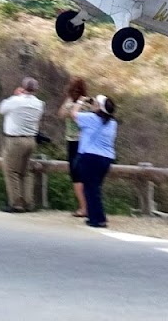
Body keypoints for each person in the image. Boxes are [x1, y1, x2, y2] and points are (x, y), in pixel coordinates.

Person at [0, 76, 45, 213]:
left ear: (23, 87)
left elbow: (1, 109)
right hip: (30, 139)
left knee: (11, 171)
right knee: (26, 172)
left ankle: (16, 203)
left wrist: (15, 95)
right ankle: (28, 202)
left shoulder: (15, 101)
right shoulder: (39, 104)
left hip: (15, 140)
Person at [71, 94, 118, 228]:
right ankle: (97, 216)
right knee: (95, 188)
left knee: (90, 188)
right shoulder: (113, 123)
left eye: (96, 103)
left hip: (91, 156)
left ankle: (97, 219)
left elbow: (74, 114)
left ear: (99, 107)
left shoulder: (91, 118)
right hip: (107, 158)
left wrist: (80, 101)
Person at [58, 77, 89, 218]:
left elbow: (62, 114)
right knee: (85, 175)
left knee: (76, 176)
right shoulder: (87, 103)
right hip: (86, 142)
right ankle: (88, 206)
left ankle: (83, 208)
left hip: (73, 141)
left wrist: (69, 100)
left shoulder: (71, 104)